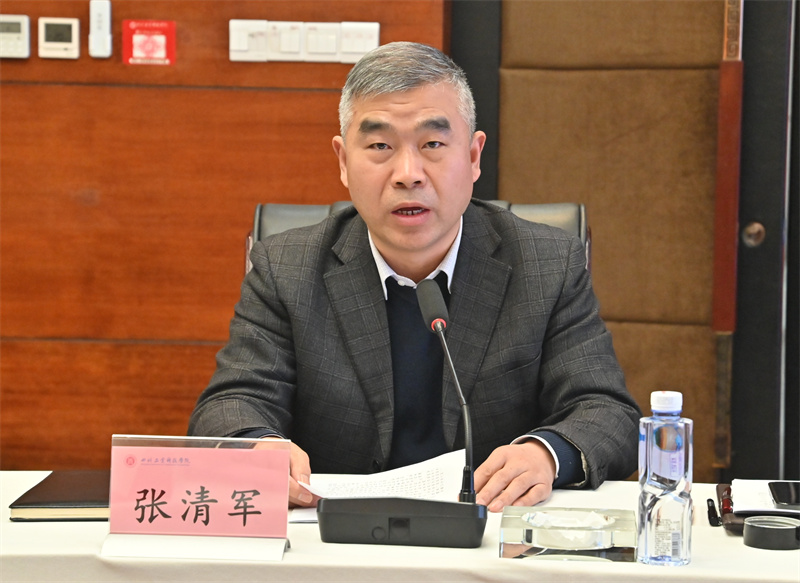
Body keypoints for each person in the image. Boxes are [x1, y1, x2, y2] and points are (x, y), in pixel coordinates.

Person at [188, 41, 641, 512]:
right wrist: (259, 446)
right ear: (343, 161)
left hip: (490, 533)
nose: (408, 174)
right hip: (335, 538)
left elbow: (607, 411)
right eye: (380, 146)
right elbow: (230, 405)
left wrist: (546, 455)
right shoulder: (286, 268)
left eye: (433, 145)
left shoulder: (547, 263)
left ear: (473, 156)